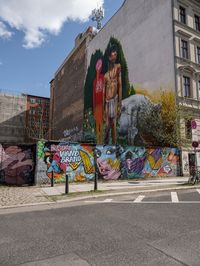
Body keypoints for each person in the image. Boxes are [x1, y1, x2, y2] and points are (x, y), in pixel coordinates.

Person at [104, 45, 122, 144]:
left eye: (116, 53)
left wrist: (120, 103)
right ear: (109, 56)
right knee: (107, 126)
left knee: (114, 125)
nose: (115, 55)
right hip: (107, 102)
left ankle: (114, 148)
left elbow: (120, 85)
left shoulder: (118, 67)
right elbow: (103, 93)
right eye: (113, 53)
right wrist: (103, 108)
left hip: (114, 100)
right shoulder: (106, 75)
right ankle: (104, 147)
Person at [93, 58, 104, 144]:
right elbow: (93, 95)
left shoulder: (103, 77)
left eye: (100, 65)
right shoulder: (94, 81)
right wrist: (93, 109)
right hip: (96, 106)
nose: (98, 67)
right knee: (97, 125)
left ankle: (101, 142)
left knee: (101, 124)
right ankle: (98, 142)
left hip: (101, 105)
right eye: (97, 65)